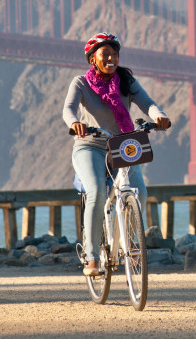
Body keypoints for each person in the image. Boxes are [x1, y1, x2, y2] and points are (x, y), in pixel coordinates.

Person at [63, 32, 171, 277]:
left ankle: (128, 241)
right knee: (97, 192)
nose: (111, 58)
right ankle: (92, 256)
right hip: (90, 145)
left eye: (115, 54)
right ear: (93, 59)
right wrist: (74, 123)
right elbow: (68, 109)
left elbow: (147, 103)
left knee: (139, 191)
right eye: (105, 54)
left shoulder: (126, 81)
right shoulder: (80, 83)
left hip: (123, 144)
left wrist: (159, 116)